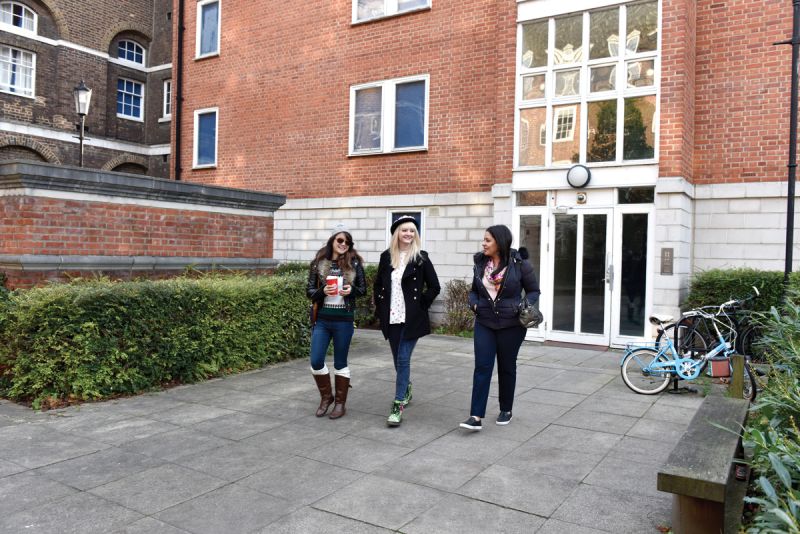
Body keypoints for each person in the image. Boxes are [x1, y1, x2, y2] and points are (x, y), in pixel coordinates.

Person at [460, 224, 540, 431]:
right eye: (484, 240)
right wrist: (474, 303)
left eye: (488, 240)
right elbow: (473, 291)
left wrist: (523, 305)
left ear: (500, 242)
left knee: (506, 367)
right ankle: (475, 416)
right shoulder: (480, 263)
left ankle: (506, 408)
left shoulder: (519, 264)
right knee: (482, 367)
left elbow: (533, 291)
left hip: (511, 324)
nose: (483, 244)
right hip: (484, 322)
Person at [374, 215, 441, 427]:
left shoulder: (421, 257)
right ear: (397, 233)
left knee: (403, 359)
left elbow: (434, 286)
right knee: (397, 360)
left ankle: (397, 405)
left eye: (412, 231)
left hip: (411, 317)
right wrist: (380, 306)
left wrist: (421, 305)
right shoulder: (387, 257)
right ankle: (407, 388)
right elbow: (378, 285)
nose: (409, 234)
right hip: (391, 316)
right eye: (405, 230)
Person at [307, 224, 366, 419]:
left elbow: (363, 290)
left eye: (347, 242)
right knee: (316, 361)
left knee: (340, 362)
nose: (343, 244)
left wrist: (352, 291)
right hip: (323, 320)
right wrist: (322, 291)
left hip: (344, 321)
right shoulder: (318, 262)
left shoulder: (355, 263)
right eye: (340, 240)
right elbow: (309, 292)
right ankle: (326, 398)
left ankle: (340, 404)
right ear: (332, 241)